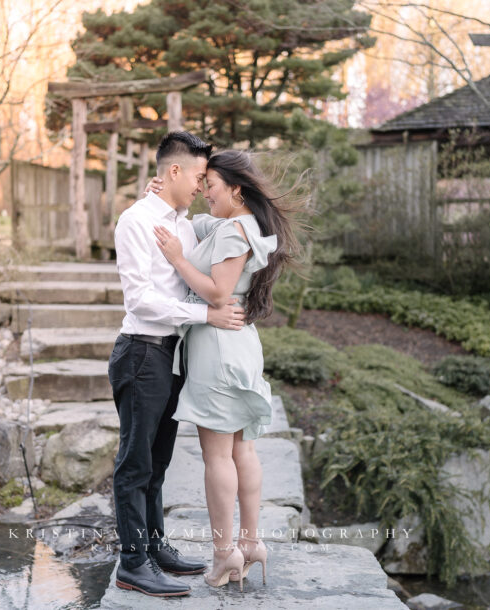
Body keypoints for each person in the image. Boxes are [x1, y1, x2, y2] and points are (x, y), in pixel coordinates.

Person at [150, 149, 299, 591]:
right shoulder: (241, 224)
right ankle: (250, 544)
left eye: (210, 186)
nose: (204, 193)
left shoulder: (235, 231)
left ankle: (223, 554)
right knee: (242, 451)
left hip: (218, 347)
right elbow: (198, 224)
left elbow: (218, 293)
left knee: (218, 455)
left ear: (236, 189)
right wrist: (166, 199)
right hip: (238, 346)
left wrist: (178, 258)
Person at [108, 132, 247, 598]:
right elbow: (142, 301)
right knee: (135, 462)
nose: (201, 185)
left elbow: (234, 222)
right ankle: (132, 562)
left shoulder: (183, 223)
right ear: (173, 172)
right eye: (198, 176)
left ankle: (155, 548)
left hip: (170, 355)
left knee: (159, 462)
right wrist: (206, 314)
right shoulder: (135, 221)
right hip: (142, 351)